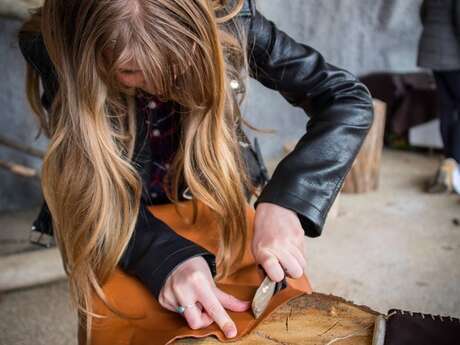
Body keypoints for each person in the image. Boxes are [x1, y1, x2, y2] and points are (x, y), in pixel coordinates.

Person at [17, 0, 374, 342]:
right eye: (130, 72)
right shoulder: (55, 43)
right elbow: (85, 182)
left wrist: (289, 202)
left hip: (210, 189)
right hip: (116, 208)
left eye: (176, 65)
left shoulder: (234, 19)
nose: (157, 87)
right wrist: (166, 259)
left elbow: (346, 99)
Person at [418, 0, 460, 194]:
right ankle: (453, 161)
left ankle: (448, 159)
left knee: (446, 107)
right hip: (452, 55)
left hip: (431, 50)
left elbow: (424, 14)